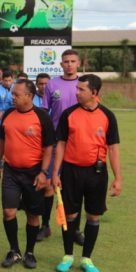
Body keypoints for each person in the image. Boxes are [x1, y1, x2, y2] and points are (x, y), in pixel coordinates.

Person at [53, 74, 121, 272]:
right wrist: (56, 172)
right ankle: (67, 256)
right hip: (71, 171)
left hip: (96, 173)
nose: (77, 93)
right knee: (71, 215)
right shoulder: (69, 114)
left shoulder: (108, 116)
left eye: (81, 89)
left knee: (93, 216)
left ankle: (87, 259)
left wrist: (118, 178)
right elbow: (61, 144)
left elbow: (114, 148)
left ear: (94, 92)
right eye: (77, 88)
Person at [0, 79, 55, 269]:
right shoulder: (8, 114)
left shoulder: (42, 117)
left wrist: (44, 172)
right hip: (11, 171)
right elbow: (2, 141)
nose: (12, 97)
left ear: (29, 96)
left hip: (34, 173)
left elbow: (49, 148)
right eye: (12, 94)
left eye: (16, 94)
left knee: (32, 215)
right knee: (8, 212)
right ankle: (14, 251)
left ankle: (29, 252)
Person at [41, 49, 85, 245]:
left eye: (72, 61)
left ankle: (75, 230)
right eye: (65, 61)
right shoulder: (52, 84)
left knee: (76, 187)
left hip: (78, 143)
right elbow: (44, 112)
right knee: (49, 185)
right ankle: (45, 225)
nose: (69, 64)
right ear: (61, 64)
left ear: (79, 63)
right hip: (56, 142)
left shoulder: (84, 85)